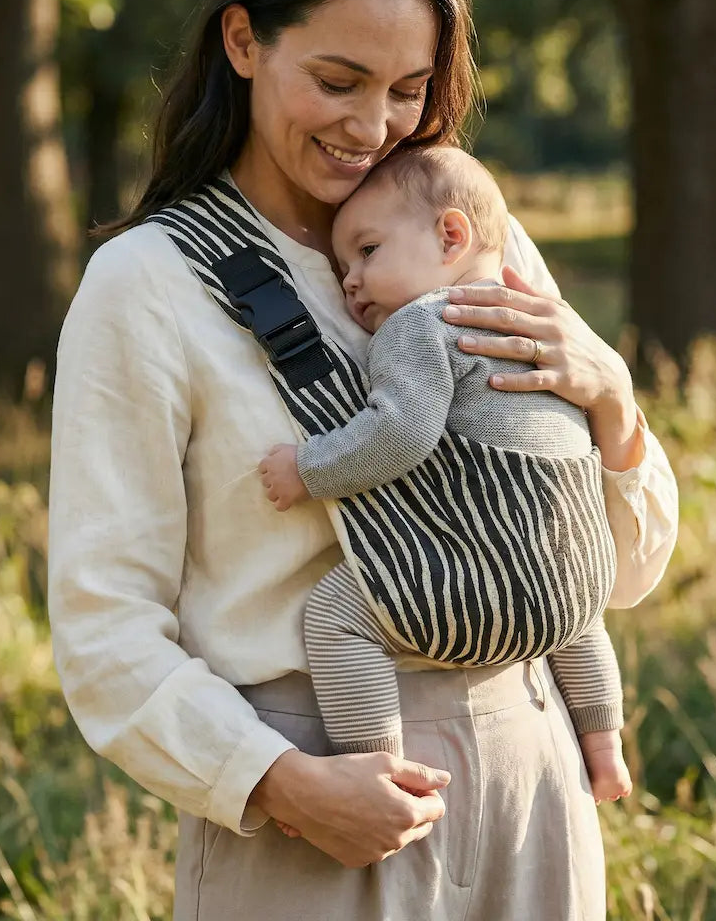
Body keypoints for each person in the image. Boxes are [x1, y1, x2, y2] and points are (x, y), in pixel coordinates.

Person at [48, 0, 679, 918]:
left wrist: (611, 403)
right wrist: (278, 784)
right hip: (314, 798)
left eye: (408, 89)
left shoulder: (474, 240)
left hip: (536, 767)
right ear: (244, 40)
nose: (370, 126)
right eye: (337, 81)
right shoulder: (146, 285)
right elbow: (103, 626)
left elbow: (627, 570)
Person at [258, 144, 631, 805]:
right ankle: (605, 751)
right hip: (578, 575)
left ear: (450, 235)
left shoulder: (419, 324)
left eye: (367, 251)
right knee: (581, 617)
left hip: (479, 582)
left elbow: (400, 433)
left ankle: (379, 767)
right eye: (344, 266)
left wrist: (309, 470)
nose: (349, 280)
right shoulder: (542, 320)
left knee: (339, 614)